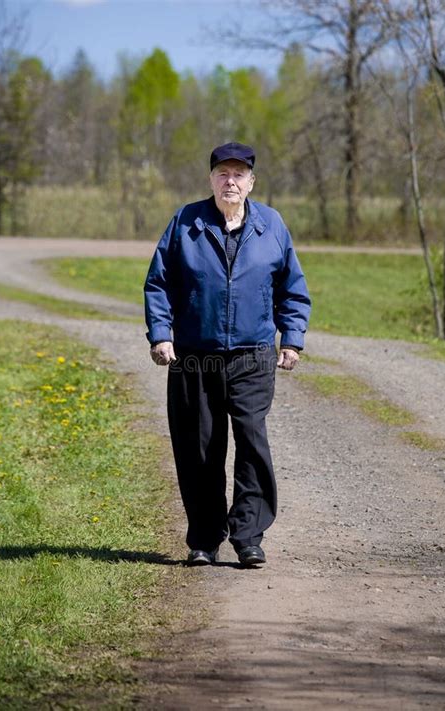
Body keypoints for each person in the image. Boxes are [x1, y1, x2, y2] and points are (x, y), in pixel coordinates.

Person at [144, 142, 311, 567]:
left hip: (252, 355)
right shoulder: (186, 222)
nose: (230, 181)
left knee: (252, 441)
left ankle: (249, 535)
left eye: (239, 174)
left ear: (251, 181)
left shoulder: (271, 225)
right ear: (211, 180)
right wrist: (161, 334)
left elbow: (292, 288)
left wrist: (291, 338)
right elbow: (159, 283)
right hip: (194, 355)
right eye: (223, 173)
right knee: (199, 447)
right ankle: (204, 537)